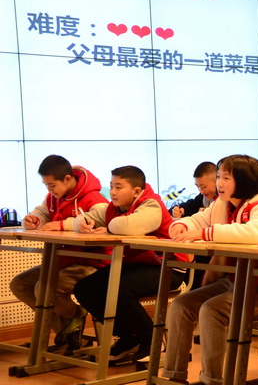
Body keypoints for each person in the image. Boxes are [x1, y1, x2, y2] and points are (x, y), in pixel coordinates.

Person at [139, 155, 258, 385]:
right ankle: (175, 382)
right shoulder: (221, 205)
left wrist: (204, 234)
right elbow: (198, 220)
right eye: (219, 177)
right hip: (237, 280)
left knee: (212, 310)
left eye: (226, 177)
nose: (219, 183)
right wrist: (180, 226)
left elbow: (256, 233)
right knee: (181, 304)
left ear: (244, 181)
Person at [73, 166, 186, 363]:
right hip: (137, 265)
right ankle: (129, 336)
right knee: (85, 288)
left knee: (119, 288)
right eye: (111, 186)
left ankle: (151, 341)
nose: (112, 192)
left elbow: (129, 226)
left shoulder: (151, 205)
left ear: (136, 191)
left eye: (119, 187)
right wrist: (81, 223)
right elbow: (87, 217)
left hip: (167, 267)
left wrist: (108, 228)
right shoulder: (114, 208)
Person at [10, 155, 109, 350]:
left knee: (44, 290)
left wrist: (63, 224)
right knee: (19, 284)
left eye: (52, 185)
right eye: (46, 185)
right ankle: (69, 331)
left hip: (92, 263)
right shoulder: (53, 197)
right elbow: (41, 213)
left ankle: (77, 317)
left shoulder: (94, 199)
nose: (49, 190)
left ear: (67, 179)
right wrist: (33, 220)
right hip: (63, 261)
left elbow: (103, 219)